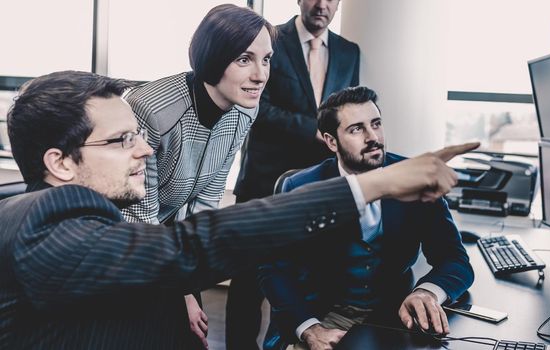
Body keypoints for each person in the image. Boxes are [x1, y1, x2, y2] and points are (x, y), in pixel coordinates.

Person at [0, 71, 478, 349]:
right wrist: (377, 184)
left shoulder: (97, 221)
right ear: (59, 163)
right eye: (123, 140)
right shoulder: (38, 225)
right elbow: (190, 246)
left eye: (139, 134)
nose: (146, 149)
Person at [258, 86, 475, 350]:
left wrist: (426, 291)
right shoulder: (300, 187)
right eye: (357, 129)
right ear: (331, 141)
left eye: (376, 124)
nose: (373, 137)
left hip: (392, 315)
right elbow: (274, 271)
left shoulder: (417, 178)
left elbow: (455, 259)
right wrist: (309, 328)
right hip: (321, 315)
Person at [119, 4, 275, 346]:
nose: (261, 75)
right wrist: (181, 294)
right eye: (245, 59)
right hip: (126, 244)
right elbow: (137, 214)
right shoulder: (152, 109)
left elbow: (207, 198)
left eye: (266, 59)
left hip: (172, 245)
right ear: (213, 56)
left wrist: (189, 281)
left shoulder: (246, 109)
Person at [231, 1, 360, 347]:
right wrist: (312, 131)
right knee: (247, 282)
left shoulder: (349, 52)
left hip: (320, 186)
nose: (322, 5)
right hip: (264, 182)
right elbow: (256, 105)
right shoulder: (271, 40)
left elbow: (351, 108)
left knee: (299, 277)